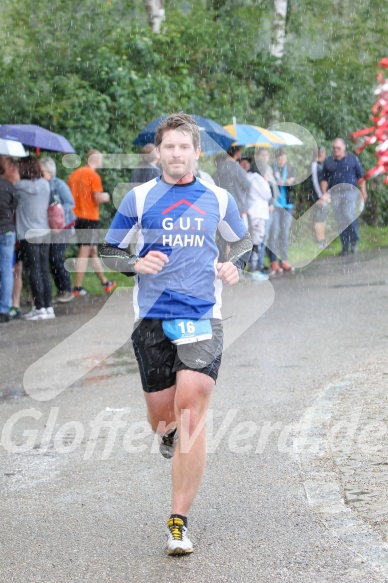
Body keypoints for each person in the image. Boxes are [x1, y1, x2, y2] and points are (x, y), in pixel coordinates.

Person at [99, 113, 252, 556]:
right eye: (170, 147)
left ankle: (178, 522)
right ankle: (165, 436)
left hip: (203, 315)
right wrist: (134, 263)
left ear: (197, 152)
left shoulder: (219, 199)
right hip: (152, 318)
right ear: (159, 152)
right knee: (164, 417)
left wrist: (232, 264)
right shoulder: (140, 197)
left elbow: (242, 243)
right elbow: (109, 250)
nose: (177, 154)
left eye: (185, 147)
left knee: (192, 408)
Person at [67, 149, 116, 296]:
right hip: (90, 217)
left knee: (92, 250)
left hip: (76, 217)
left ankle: (104, 282)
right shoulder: (93, 176)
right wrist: (106, 196)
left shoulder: (74, 175)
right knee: (85, 250)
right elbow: (97, 198)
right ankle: (77, 287)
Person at [15, 156, 54, 320]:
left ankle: (39, 308)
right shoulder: (45, 184)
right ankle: (48, 306)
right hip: (44, 232)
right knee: (44, 270)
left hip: (28, 234)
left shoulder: (18, 187)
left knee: (33, 270)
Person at [321, 138, 367, 255]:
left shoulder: (352, 159)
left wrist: (363, 192)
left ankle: (354, 241)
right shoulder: (328, 161)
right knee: (340, 219)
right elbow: (324, 179)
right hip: (335, 193)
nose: (336, 150)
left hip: (350, 191)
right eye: (334, 148)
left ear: (344, 148)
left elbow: (361, 177)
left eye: (338, 148)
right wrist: (324, 193)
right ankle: (345, 246)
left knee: (348, 214)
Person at [40, 157, 76, 303]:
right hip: (50, 228)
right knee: (51, 259)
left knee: (56, 257)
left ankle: (67, 289)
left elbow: (70, 203)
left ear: (48, 171)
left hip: (64, 226)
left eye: (41, 170)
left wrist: (57, 210)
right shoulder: (41, 185)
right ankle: (61, 290)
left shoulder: (59, 184)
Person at [239, 156, 271, 280]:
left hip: (251, 212)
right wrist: (266, 181)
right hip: (258, 213)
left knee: (252, 240)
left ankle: (253, 267)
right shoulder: (258, 178)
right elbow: (267, 195)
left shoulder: (248, 176)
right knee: (257, 241)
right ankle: (254, 269)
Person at [266, 148, 295, 273]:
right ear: (275, 158)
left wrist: (289, 182)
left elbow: (293, 187)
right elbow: (267, 186)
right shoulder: (271, 169)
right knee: (274, 233)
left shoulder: (290, 169)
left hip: (287, 205)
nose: (281, 160)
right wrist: (276, 181)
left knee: (285, 233)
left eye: (283, 158)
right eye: (279, 158)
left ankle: (284, 260)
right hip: (275, 205)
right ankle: (273, 261)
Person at [0, 156, 19, 323]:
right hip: (7, 231)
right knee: (7, 269)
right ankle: (4, 309)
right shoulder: (9, 186)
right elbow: (14, 207)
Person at [310, 147, 330, 249]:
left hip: (323, 196)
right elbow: (315, 182)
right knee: (318, 219)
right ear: (320, 154)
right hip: (318, 197)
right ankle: (320, 241)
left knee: (322, 219)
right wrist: (320, 197)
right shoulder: (314, 165)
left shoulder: (320, 166)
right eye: (324, 153)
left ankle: (323, 240)